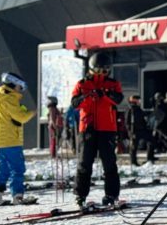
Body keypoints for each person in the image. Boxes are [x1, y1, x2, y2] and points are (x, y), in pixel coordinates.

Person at [70, 52, 124, 208]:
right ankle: (80, 195)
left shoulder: (113, 84)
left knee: (109, 163)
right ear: (92, 69)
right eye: (100, 70)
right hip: (87, 128)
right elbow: (74, 103)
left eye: (106, 70)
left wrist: (104, 94)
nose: (103, 73)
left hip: (107, 128)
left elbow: (118, 99)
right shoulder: (82, 84)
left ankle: (111, 194)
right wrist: (88, 95)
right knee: (84, 162)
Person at [0, 72, 36, 206]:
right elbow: (20, 117)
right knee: (18, 168)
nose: (20, 90)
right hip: (11, 138)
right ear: (12, 84)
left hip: (1, 139)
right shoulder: (9, 98)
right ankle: (17, 195)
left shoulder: (0, 96)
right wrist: (33, 112)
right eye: (19, 87)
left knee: (4, 168)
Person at [125, 95, 155, 167]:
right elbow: (127, 122)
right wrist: (130, 132)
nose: (140, 102)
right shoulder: (130, 110)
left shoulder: (138, 109)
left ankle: (150, 158)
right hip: (134, 131)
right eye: (139, 100)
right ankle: (133, 161)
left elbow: (142, 119)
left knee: (151, 141)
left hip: (142, 130)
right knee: (133, 147)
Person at [47, 95, 64, 160]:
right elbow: (53, 119)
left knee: (55, 141)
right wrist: (56, 128)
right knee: (54, 141)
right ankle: (53, 155)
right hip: (54, 127)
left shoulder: (53, 108)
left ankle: (54, 154)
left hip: (54, 126)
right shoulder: (52, 108)